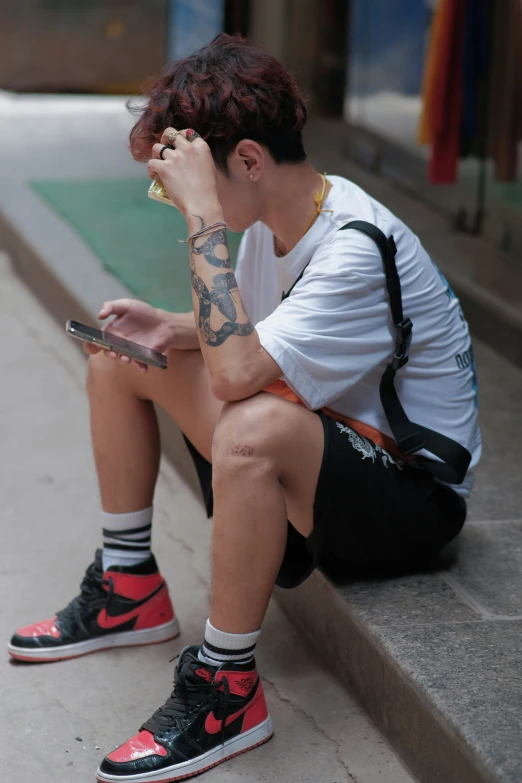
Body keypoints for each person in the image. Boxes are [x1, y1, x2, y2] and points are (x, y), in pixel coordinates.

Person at [8, 33, 481, 783]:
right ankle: (128, 587)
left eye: (184, 184)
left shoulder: (354, 248)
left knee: (248, 429)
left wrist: (203, 222)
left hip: (409, 497)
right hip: (325, 443)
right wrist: (172, 328)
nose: (176, 201)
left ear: (251, 161)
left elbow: (239, 376)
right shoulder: (275, 221)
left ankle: (226, 689)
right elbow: (261, 341)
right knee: (124, 358)